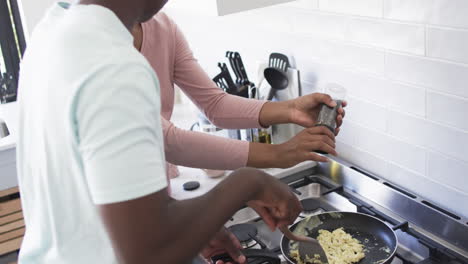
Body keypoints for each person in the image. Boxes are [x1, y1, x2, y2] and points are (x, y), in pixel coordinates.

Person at [16, 0, 304, 263]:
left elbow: (95, 193)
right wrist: (248, 182)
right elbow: (147, 253)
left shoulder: (51, 32)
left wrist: (190, 228)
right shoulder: (112, 64)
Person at [132, 13, 346, 180]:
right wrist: (278, 154)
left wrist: (291, 109)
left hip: (157, 191)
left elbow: (216, 104)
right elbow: (166, 141)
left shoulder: (163, 27)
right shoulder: (102, 47)